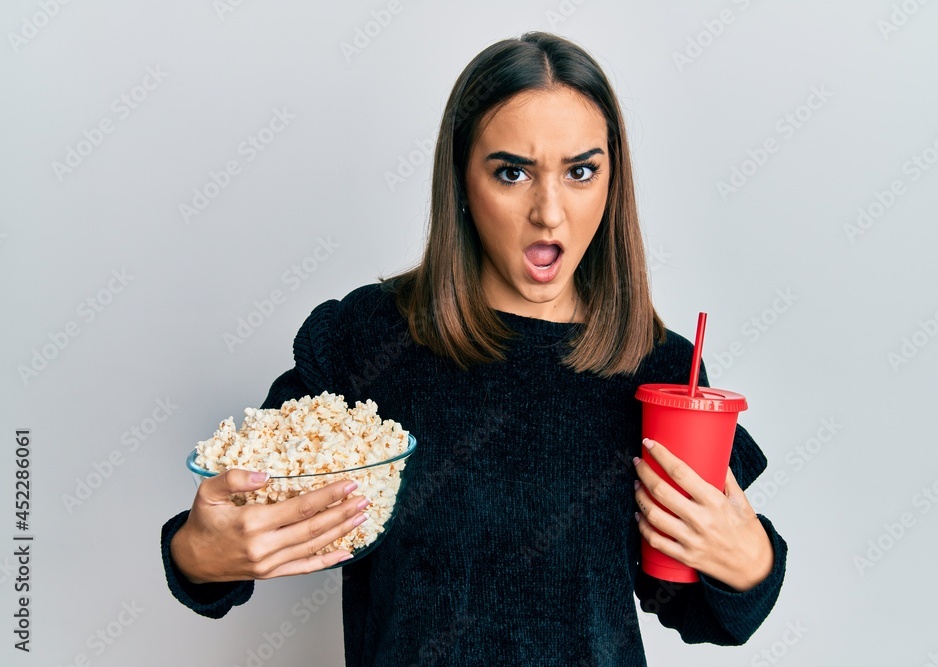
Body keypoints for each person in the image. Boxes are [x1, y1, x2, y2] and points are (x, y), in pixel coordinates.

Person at [161, 31, 787, 666]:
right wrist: (197, 554)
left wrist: (751, 563)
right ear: (460, 178)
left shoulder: (659, 371)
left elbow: (699, 608)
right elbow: (237, 527)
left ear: (612, 179)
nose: (549, 212)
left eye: (580, 171)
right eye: (512, 172)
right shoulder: (366, 339)